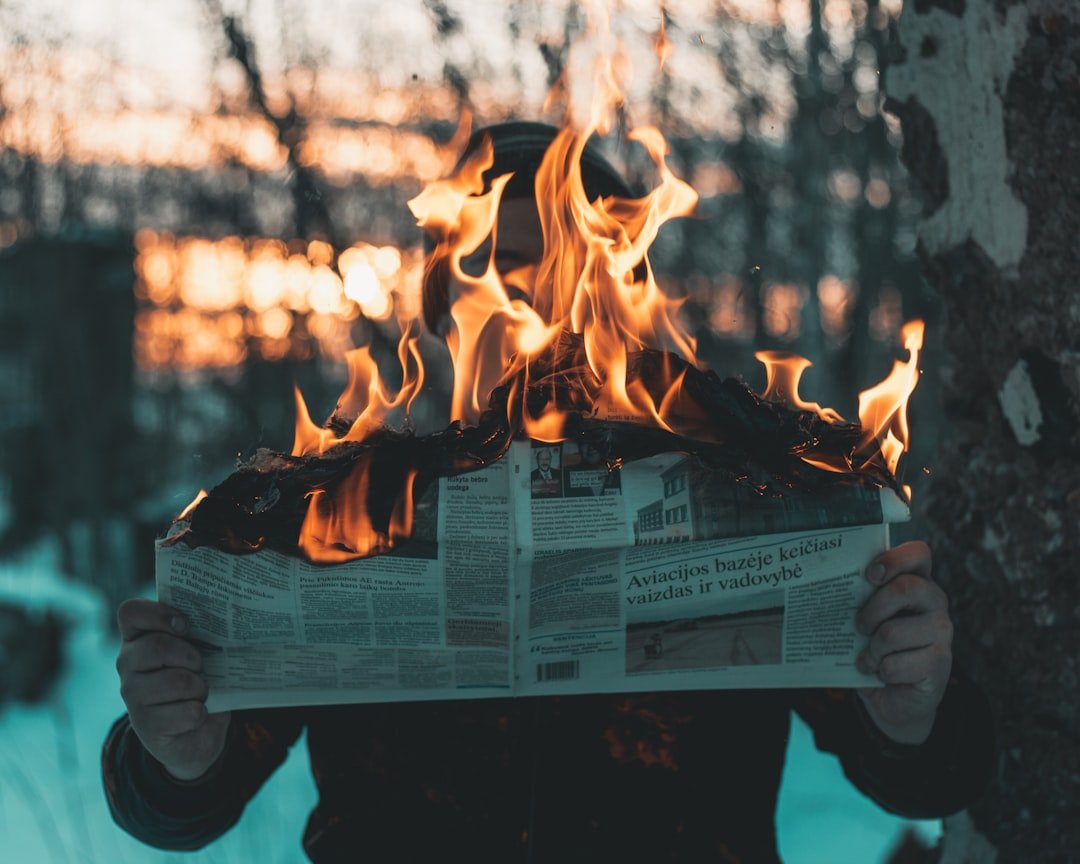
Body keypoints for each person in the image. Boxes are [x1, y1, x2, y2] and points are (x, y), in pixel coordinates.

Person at [103, 122, 994, 863]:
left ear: (619, 288)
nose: (522, 299)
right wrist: (171, 752)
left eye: (556, 264)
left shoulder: (743, 484)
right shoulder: (350, 511)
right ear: (437, 303)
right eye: (486, 267)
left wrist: (916, 709)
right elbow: (185, 799)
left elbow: (928, 778)